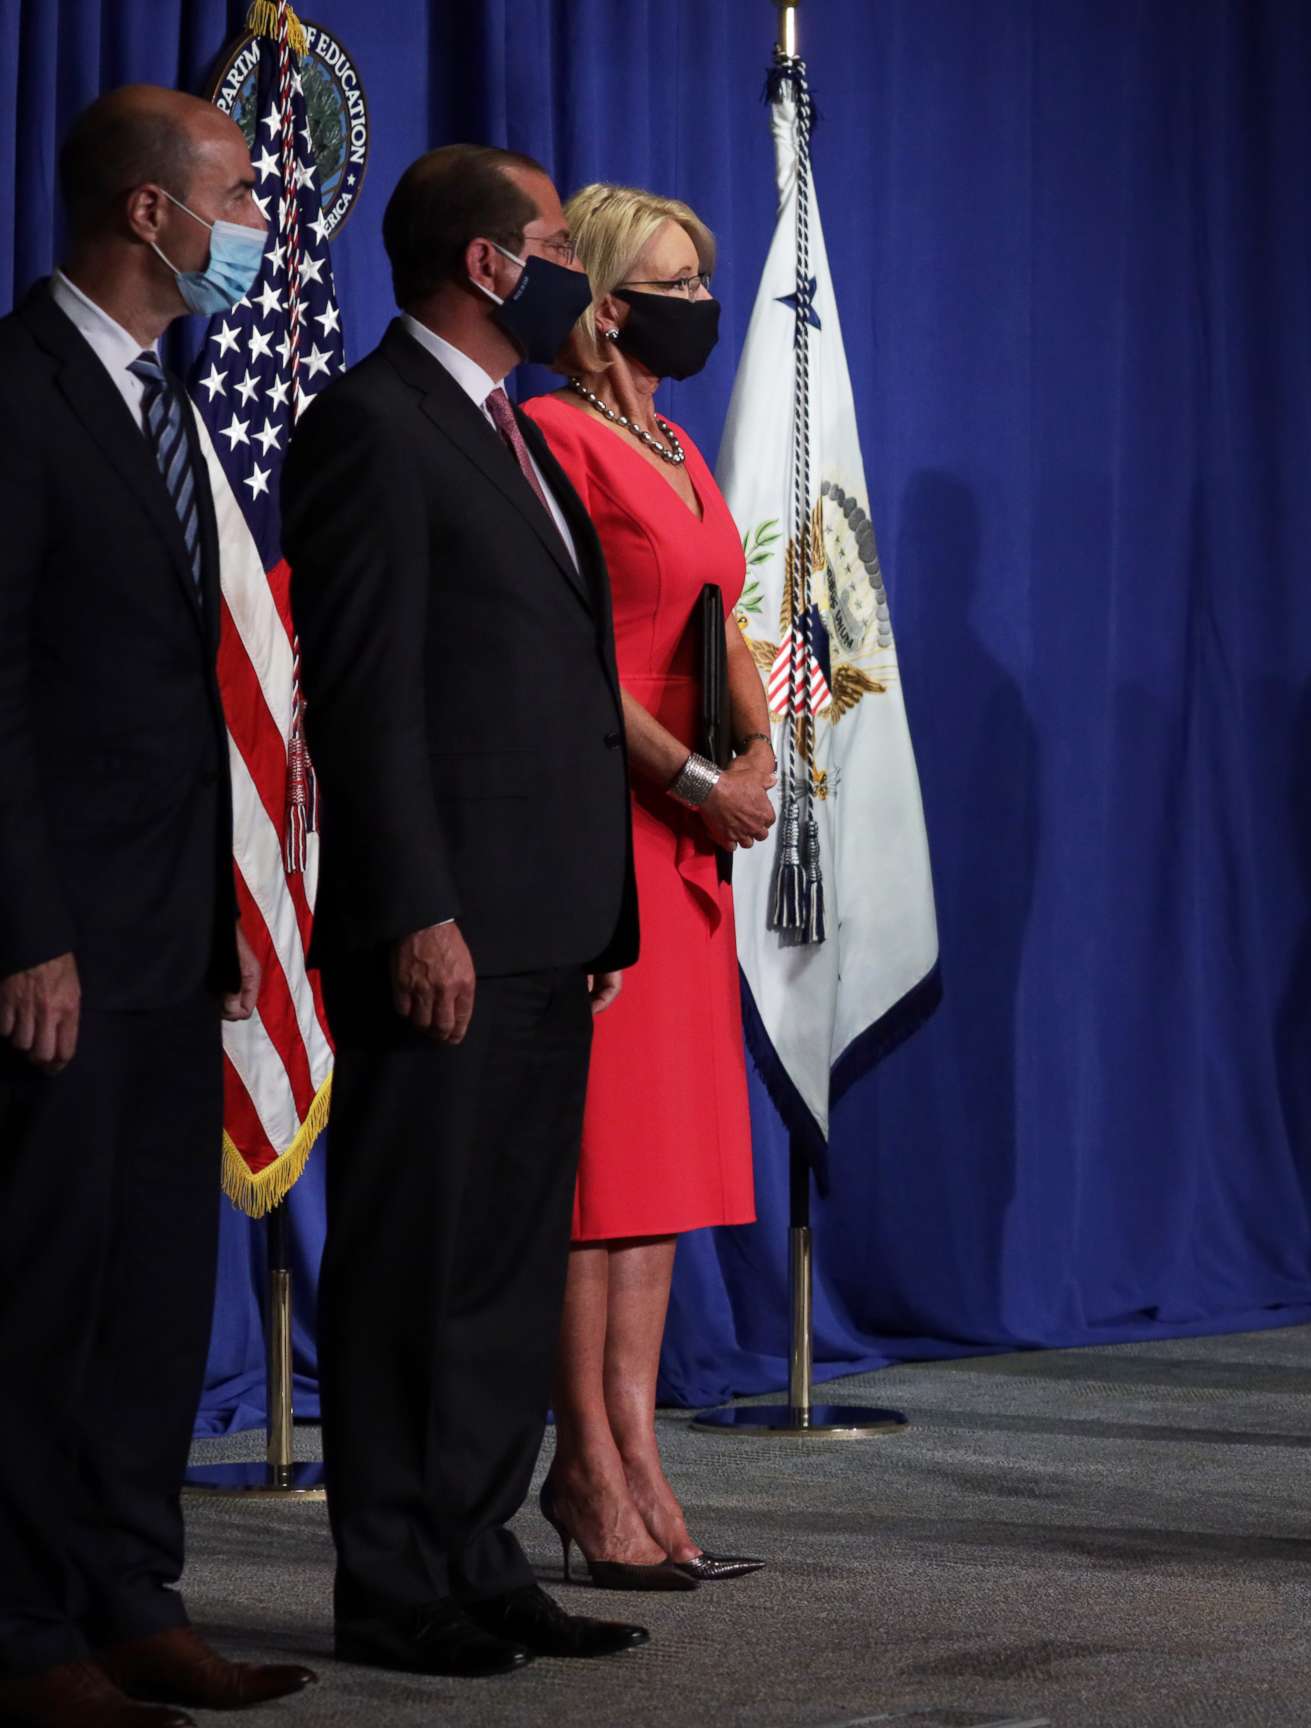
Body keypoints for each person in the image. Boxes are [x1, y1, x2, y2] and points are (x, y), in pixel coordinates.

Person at [284, 143, 647, 1677]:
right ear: (491, 265)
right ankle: (393, 1579)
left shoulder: (522, 434)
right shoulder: (372, 425)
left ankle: (477, 1548)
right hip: (443, 932)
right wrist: (416, 909)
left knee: (501, 1260)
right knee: (414, 1257)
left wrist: (594, 917)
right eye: (557, 240)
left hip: (546, 926)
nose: (577, 265)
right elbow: (366, 702)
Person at [0, 85, 315, 1728]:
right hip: (59, 947)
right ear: (148, 213)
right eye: (242, 191)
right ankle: (24, 1625)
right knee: (43, 1297)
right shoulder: (19, 386)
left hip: (175, 938)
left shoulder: (170, 398)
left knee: (147, 1294)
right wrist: (24, 923)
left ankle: (135, 1596)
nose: (258, 221)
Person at [522, 183, 774, 1588]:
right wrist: (693, 777)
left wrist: (762, 740)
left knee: (660, 1181)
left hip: (694, 849)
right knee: (597, 1180)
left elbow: (712, 613)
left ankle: (641, 1460)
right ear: (607, 300)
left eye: (703, 278)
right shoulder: (555, 438)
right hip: (607, 831)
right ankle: (586, 1469)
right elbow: (571, 652)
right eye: (673, 280)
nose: (697, 304)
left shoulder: (672, 440)